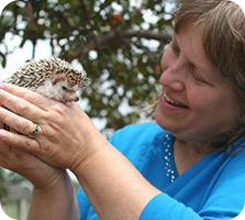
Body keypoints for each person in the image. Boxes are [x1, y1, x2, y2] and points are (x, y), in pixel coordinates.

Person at [0, 0, 245, 219]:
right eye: (175, 49)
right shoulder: (126, 143)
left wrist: (87, 152)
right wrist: (50, 183)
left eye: (198, 75)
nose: (166, 78)